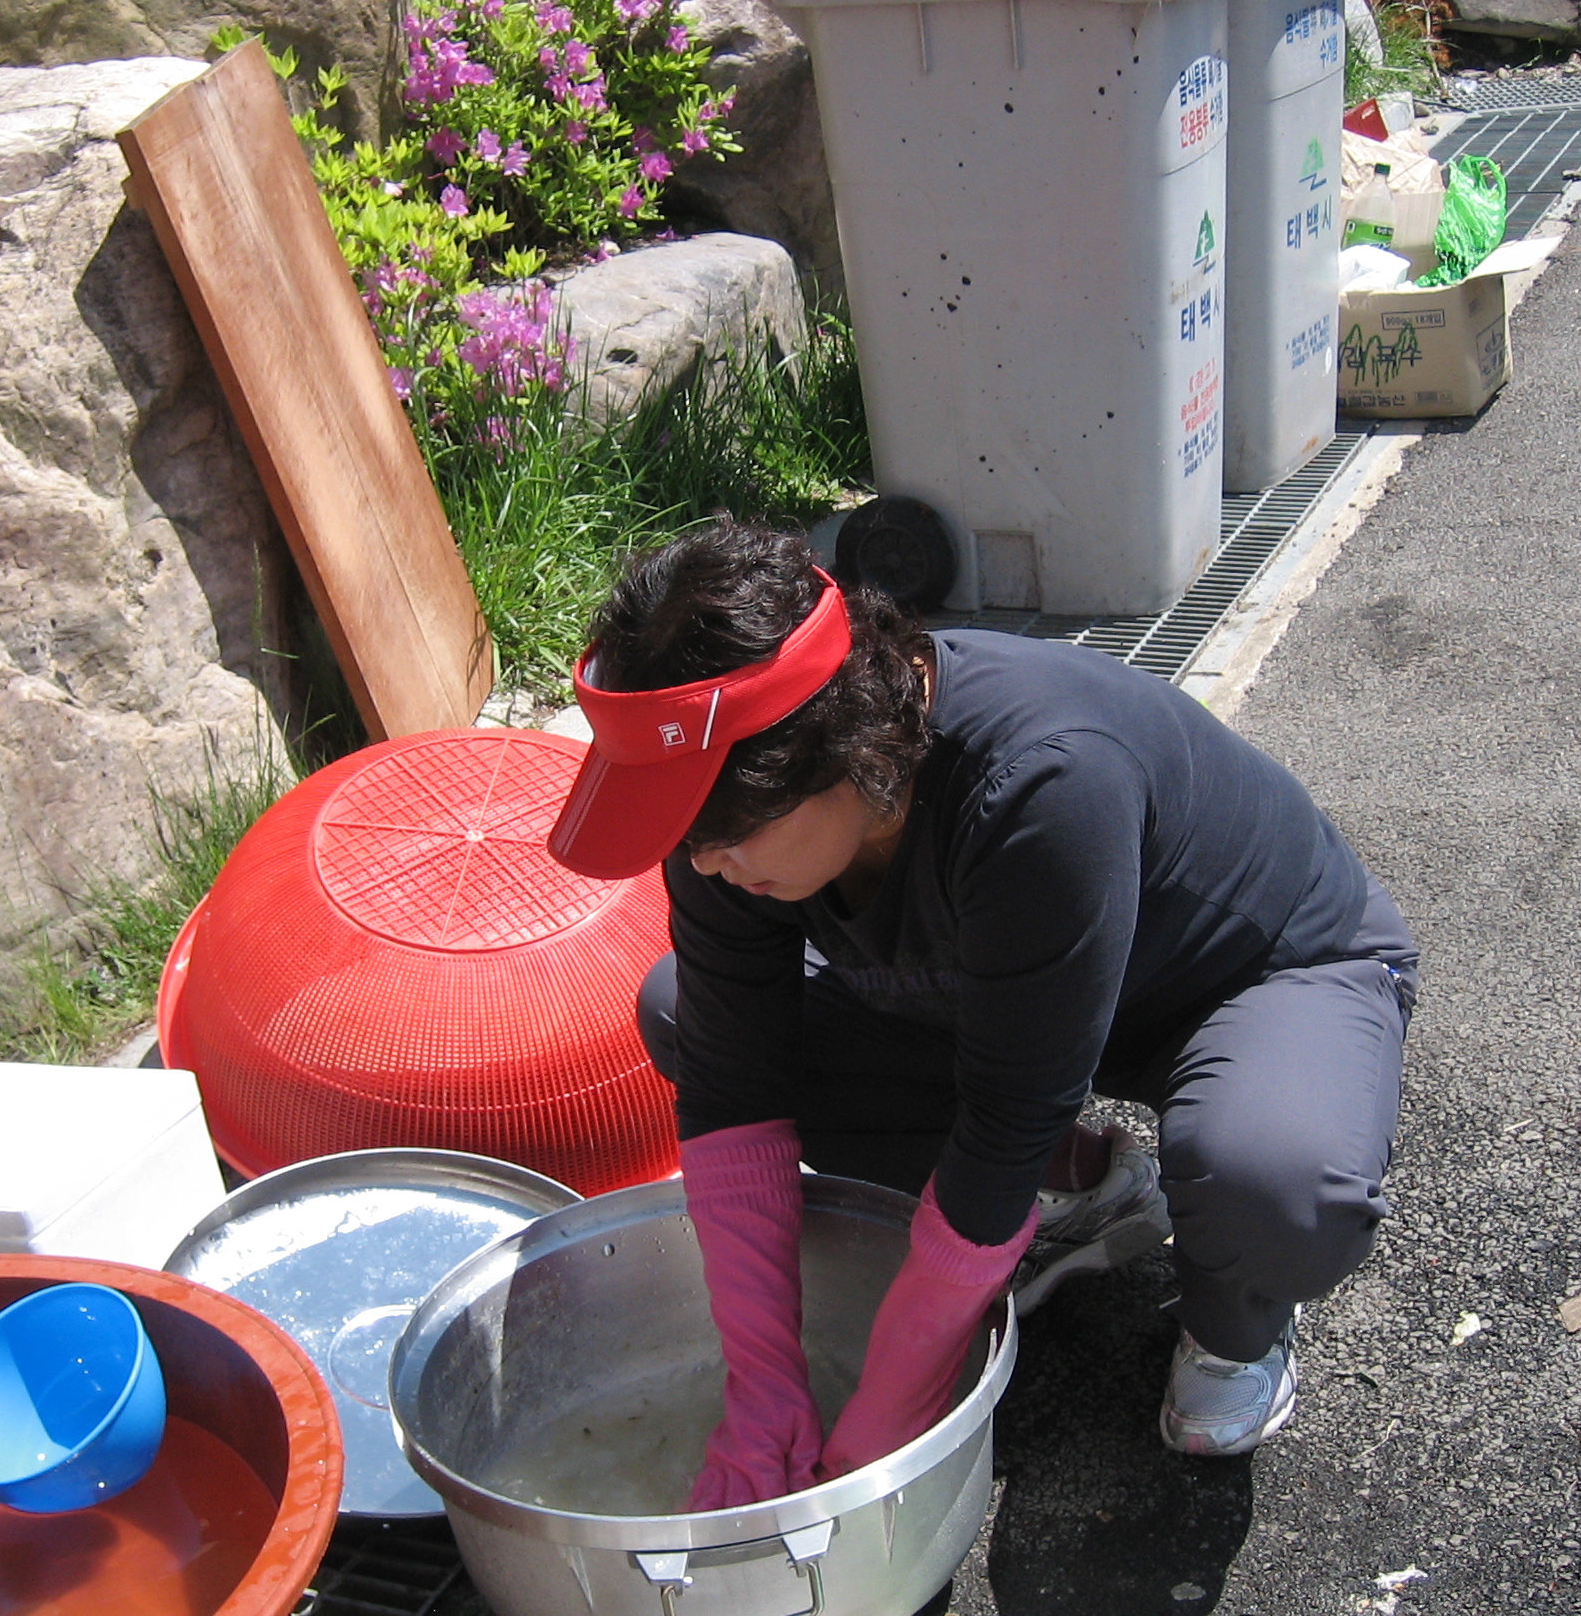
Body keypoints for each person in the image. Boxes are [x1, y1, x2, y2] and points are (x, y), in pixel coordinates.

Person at [544, 521, 1417, 1509]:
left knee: (1272, 1183)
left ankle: (1238, 1325)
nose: (701, 861)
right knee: (683, 1012)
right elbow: (733, 1083)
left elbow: (1005, 1119)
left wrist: (881, 1428)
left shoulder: (1042, 784)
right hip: (1015, 994)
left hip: (1242, 979)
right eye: (683, 831)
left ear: (838, 752)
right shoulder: (729, 827)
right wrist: (763, 1388)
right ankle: (1084, 1191)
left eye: (723, 830)